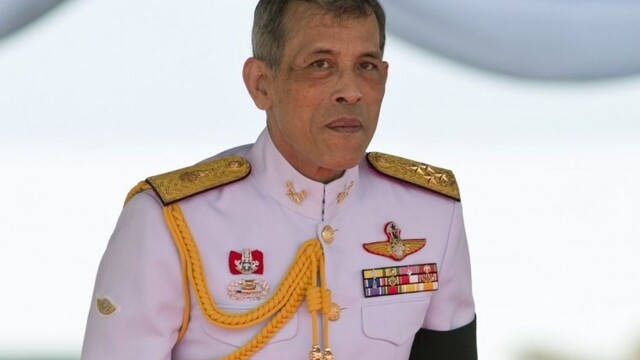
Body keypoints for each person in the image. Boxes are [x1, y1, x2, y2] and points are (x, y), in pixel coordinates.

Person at [81, 0, 477, 359]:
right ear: (261, 84)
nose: (351, 91)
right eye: (320, 64)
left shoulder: (433, 213)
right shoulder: (168, 222)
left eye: (366, 66)